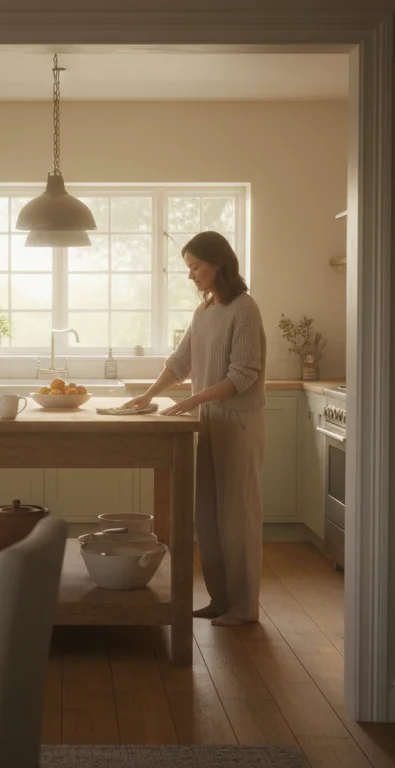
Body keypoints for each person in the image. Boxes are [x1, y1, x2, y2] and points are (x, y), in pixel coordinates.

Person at [123, 231, 266, 626]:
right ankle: (220, 600)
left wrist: (191, 401)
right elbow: (181, 360)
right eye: (189, 268)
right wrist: (148, 394)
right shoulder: (204, 312)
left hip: (238, 422)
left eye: (195, 267)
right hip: (208, 419)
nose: (191, 276)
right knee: (208, 515)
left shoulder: (244, 309)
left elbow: (244, 374)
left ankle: (244, 607)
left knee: (237, 517)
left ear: (218, 263)